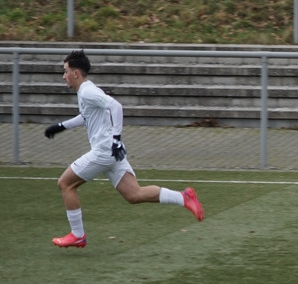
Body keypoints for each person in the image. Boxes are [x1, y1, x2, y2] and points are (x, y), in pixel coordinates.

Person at [44, 49, 204, 248]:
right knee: (134, 194)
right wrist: (60, 126)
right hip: (111, 153)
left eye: (65, 71)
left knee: (65, 184)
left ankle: (77, 235)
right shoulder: (86, 91)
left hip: (104, 151)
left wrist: (116, 139)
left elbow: (116, 107)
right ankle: (183, 197)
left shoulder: (87, 91)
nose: (63, 76)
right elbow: (86, 116)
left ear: (75, 73)